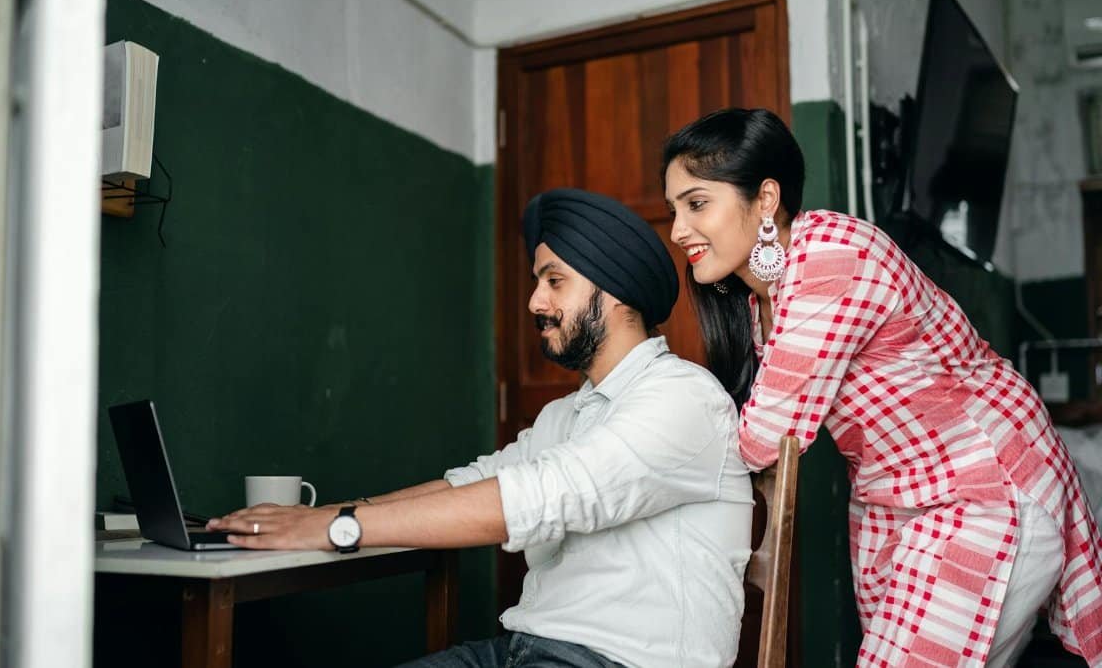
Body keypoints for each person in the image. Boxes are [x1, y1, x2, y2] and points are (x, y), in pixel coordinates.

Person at [208, 188, 754, 667]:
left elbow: (537, 497)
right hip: (518, 648)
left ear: (615, 294)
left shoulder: (684, 397)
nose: (535, 301)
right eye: (538, 281)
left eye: (554, 281)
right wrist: (327, 514)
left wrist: (338, 530)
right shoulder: (565, 414)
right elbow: (471, 482)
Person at [663, 107, 1102, 667]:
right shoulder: (760, 303)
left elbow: (765, 439)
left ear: (766, 199)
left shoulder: (829, 258)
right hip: (911, 508)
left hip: (982, 492)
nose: (678, 229)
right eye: (673, 209)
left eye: (696, 203)